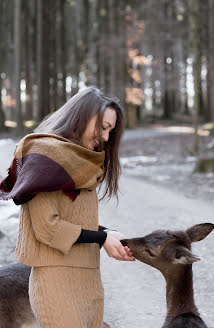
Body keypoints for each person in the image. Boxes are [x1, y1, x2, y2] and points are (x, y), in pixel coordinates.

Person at [0, 86, 135, 328]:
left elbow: (75, 222)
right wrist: (100, 237)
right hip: (56, 282)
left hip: (90, 279)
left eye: (110, 131)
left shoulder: (80, 161)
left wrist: (107, 234)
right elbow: (48, 228)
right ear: (82, 116)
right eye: (103, 127)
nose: (106, 138)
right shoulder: (45, 157)